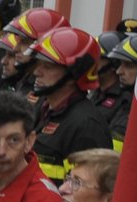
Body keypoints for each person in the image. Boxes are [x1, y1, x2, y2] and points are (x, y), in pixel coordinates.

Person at [27, 26, 113, 185]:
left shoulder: (86, 127)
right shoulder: (42, 109)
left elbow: (84, 195)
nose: (37, 72)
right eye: (38, 64)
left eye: (48, 66)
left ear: (74, 75)